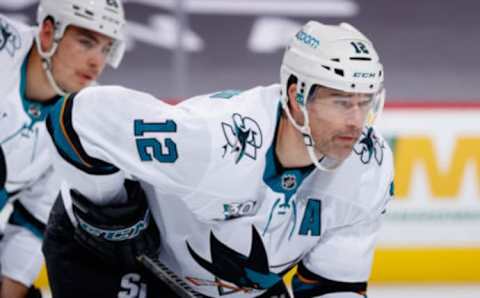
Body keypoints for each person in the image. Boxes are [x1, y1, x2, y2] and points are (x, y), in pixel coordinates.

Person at [44, 21, 393, 298]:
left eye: (365, 103)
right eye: (341, 102)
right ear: (296, 96)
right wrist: (111, 210)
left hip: (224, 285)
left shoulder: (368, 168)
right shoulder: (217, 140)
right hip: (104, 259)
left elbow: (332, 285)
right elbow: (77, 118)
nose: (356, 121)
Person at [0, 0, 126, 297]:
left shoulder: (85, 121)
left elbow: (33, 222)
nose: (97, 62)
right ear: (48, 32)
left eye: (106, 49)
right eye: (86, 42)